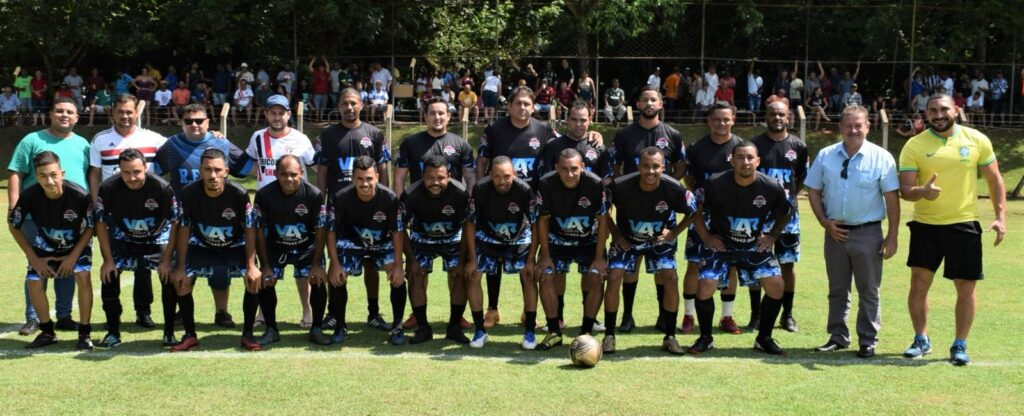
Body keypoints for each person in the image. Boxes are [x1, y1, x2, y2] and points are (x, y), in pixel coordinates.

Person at [898, 94, 1006, 366]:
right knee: (918, 285)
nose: (938, 114)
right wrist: (921, 191)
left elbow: (994, 180)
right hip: (926, 226)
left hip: (964, 224)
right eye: (932, 110)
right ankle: (921, 339)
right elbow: (905, 190)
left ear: (956, 110)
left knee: (965, 287)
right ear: (926, 114)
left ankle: (960, 344)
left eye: (944, 109)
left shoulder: (977, 140)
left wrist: (1000, 217)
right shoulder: (914, 144)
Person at [806, 105, 899, 358]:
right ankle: (837, 336)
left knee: (869, 290)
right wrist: (824, 222)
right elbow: (813, 190)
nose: (853, 130)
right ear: (841, 128)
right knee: (837, 289)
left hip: (868, 233)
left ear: (868, 126)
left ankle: (867, 340)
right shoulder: (826, 155)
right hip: (834, 233)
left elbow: (892, 198)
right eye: (848, 125)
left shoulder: (882, 157)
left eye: (859, 125)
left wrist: (892, 236)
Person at [690, 141, 793, 356]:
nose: (745, 162)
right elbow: (695, 211)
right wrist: (706, 237)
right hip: (722, 246)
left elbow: (786, 211)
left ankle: (764, 338)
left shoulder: (771, 186)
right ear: (732, 161)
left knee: (776, 286)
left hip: (753, 246)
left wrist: (772, 235)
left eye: (749, 158)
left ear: (758, 161)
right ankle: (705, 338)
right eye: (740, 157)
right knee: (705, 285)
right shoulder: (715, 183)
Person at [475, 87, 561, 329]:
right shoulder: (494, 130)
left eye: (526, 103)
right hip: (497, 201)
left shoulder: (544, 130)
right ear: (509, 106)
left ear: (533, 107)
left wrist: (594, 135)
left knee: (527, 259)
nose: (522, 107)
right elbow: (481, 162)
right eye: (518, 103)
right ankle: (492, 309)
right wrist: (480, 191)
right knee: (494, 257)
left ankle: (527, 310)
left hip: (530, 205)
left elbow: (567, 146)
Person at [7, 98, 90, 336]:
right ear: (51, 114)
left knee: (68, 264)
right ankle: (33, 317)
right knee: (37, 264)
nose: (64, 115)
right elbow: (16, 172)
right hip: (36, 216)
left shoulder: (83, 144)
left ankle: (64, 315)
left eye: (70, 112)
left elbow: (90, 175)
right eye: (59, 110)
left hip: (73, 217)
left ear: (76, 118)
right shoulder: (32, 140)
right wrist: (13, 206)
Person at [88, 94, 169, 329]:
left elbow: (183, 145)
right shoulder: (100, 140)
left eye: (129, 112)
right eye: (120, 111)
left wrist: (212, 136)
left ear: (137, 113)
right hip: (115, 214)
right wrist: (96, 206)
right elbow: (94, 174)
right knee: (112, 264)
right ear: (112, 112)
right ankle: (113, 316)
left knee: (144, 268)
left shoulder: (153, 138)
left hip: (147, 213)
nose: (125, 116)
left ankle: (143, 312)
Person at [605, 148, 696, 354]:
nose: (650, 171)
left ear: (664, 167)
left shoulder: (674, 188)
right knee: (614, 275)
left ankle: (670, 337)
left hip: (659, 242)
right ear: (639, 167)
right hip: (627, 240)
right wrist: (616, 234)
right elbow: (603, 210)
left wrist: (674, 232)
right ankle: (609, 335)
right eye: (646, 166)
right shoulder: (620, 186)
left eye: (656, 166)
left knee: (671, 277)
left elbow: (694, 211)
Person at [611, 86, 685, 335]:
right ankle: (627, 316)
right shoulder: (624, 135)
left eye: (654, 99)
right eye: (645, 100)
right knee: (630, 265)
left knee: (662, 266)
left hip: (663, 211)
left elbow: (681, 165)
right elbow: (614, 166)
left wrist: (665, 189)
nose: (649, 103)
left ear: (661, 104)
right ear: (638, 104)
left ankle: (664, 316)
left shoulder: (673, 134)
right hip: (631, 209)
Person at [317, 87, 392, 332]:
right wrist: (321, 203)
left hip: (371, 209)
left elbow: (382, 170)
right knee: (336, 259)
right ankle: (333, 313)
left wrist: (386, 201)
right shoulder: (328, 135)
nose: (349, 108)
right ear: (338, 106)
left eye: (353, 103)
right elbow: (322, 171)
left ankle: (373, 312)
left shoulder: (374, 133)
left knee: (371, 260)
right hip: (340, 209)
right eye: (345, 104)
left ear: (361, 105)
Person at [170, 148, 260, 352]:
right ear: (200, 171)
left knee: (253, 279)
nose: (213, 175)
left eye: (218, 170)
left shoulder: (239, 194)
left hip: (234, 245)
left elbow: (249, 229)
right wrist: (181, 266)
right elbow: (184, 229)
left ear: (226, 171)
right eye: (207, 170)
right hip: (202, 244)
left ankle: (247, 334)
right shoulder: (188, 193)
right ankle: (190, 335)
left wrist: (251, 265)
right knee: (182, 280)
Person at [9, 151, 95, 350]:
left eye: (53, 175)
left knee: (83, 276)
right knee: (34, 281)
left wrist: (72, 257)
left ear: (62, 173)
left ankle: (84, 334)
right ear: (36, 177)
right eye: (43, 176)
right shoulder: (29, 195)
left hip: (77, 244)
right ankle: (47, 332)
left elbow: (91, 227)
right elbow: (14, 225)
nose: (49, 181)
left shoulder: (80, 195)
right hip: (45, 244)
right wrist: (34, 259)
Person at [93, 149, 178, 348]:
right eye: (126, 173)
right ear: (119, 170)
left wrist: (167, 260)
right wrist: (108, 260)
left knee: (169, 277)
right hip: (123, 240)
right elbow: (100, 222)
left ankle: (169, 333)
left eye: (137, 172)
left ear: (145, 168)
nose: (132, 178)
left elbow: (175, 222)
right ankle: (113, 333)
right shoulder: (108, 187)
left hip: (156, 240)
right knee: (108, 276)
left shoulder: (162, 187)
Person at [534, 149, 610, 350]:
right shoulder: (546, 184)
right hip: (557, 240)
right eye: (565, 169)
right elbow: (542, 220)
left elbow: (603, 220)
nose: (570, 174)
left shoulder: (595, 184)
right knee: (546, 275)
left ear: (582, 167)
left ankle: (586, 332)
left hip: (588, 241)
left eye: (574, 169)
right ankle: (554, 331)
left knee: (597, 276)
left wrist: (599, 257)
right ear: (556, 168)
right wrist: (545, 255)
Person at [326, 156, 407, 345]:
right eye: (360, 179)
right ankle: (340, 326)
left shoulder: (389, 198)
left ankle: (397, 326)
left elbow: (397, 232)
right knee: (338, 277)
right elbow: (331, 231)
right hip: (352, 242)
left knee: (397, 277)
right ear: (353, 178)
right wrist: (334, 263)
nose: (364, 184)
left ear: (377, 177)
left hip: (381, 242)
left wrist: (398, 265)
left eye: (369, 178)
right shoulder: (340, 197)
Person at [679, 103, 743, 334]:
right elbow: (689, 179)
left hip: (731, 216)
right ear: (709, 121)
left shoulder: (740, 147)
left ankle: (727, 316)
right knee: (694, 263)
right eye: (716, 119)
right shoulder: (696, 148)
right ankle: (689, 315)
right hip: (702, 214)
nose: (721, 123)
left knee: (731, 265)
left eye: (726, 119)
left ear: (733, 120)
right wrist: (701, 199)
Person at [251, 155, 328, 348]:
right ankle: (271, 329)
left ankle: (316, 329)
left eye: (294, 174)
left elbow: (321, 229)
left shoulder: (314, 195)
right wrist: (265, 265)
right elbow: (259, 230)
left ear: (301, 173)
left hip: (306, 248)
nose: (289, 179)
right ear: (276, 174)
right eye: (284, 174)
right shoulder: (264, 195)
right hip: (275, 247)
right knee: (266, 280)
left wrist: (317, 264)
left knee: (318, 279)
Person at [463, 156, 539, 349]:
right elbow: (470, 224)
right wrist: (472, 259)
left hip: (518, 238)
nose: (502, 181)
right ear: (490, 175)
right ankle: (480, 331)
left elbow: (536, 224)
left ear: (514, 174)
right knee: (473, 275)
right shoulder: (480, 189)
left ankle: (530, 331)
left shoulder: (524, 190)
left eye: (506, 176)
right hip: (488, 238)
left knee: (529, 276)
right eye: (497, 176)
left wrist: (531, 259)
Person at [399, 156, 473, 344]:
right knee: (415, 275)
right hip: (422, 238)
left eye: (440, 177)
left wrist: (462, 260)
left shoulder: (461, 193)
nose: (435, 182)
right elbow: (400, 227)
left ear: (449, 176)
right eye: (430, 178)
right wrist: (411, 259)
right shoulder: (410, 194)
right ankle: (423, 328)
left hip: (453, 238)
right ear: (422, 177)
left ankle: (454, 327)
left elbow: (468, 226)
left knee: (460, 275)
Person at [753, 101, 809, 333]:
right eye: (773, 114)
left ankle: (787, 314)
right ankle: (756, 315)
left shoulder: (798, 146)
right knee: (756, 264)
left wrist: (789, 199)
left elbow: (801, 178)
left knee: (787, 264)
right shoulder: (755, 145)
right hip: (759, 216)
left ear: (788, 118)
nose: (777, 118)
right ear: (766, 116)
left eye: (781, 114)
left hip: (788, 218)